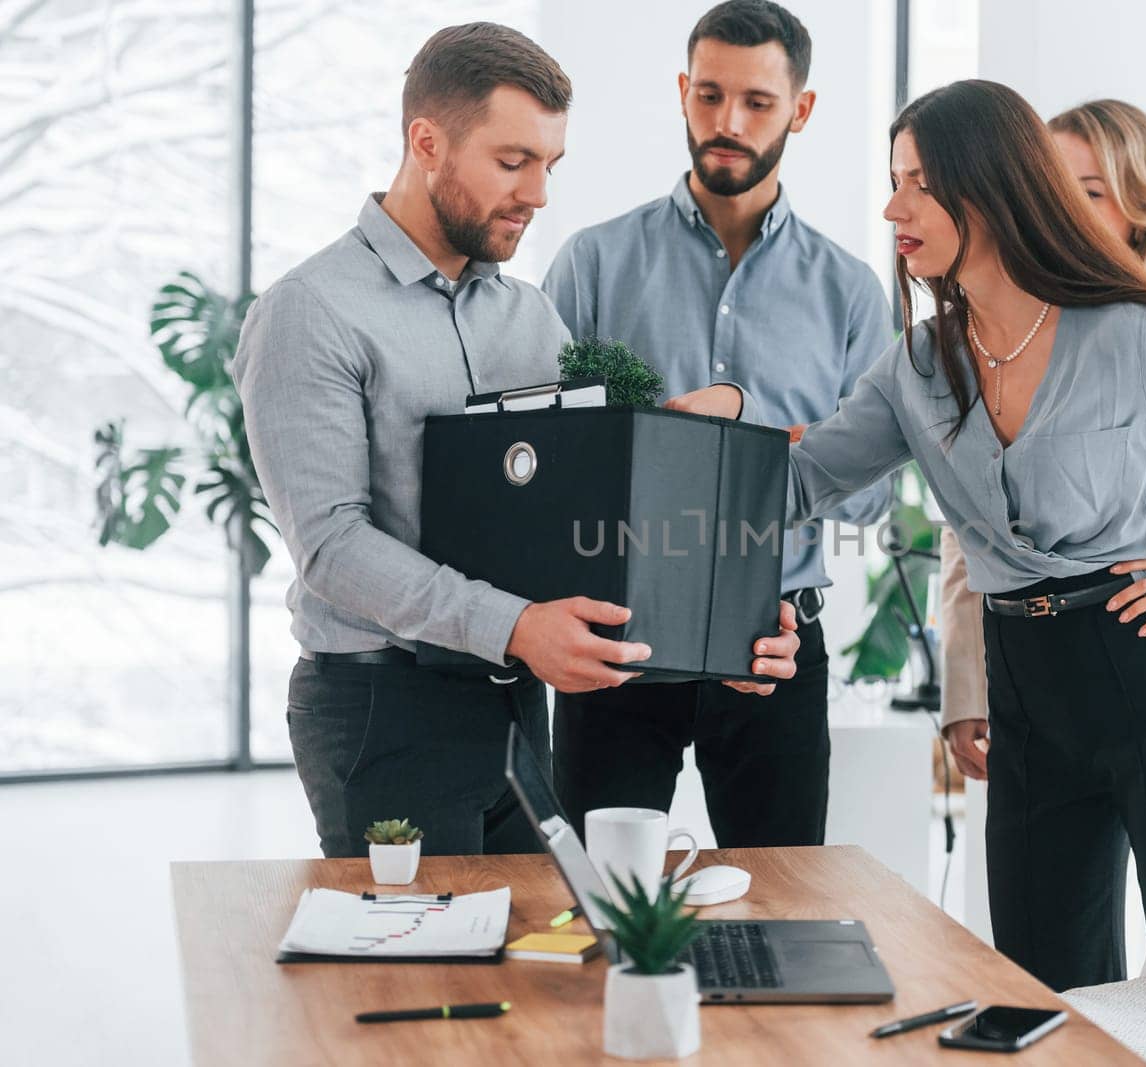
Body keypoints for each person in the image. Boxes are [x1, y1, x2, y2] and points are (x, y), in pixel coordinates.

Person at [685, 79, 1146, 991]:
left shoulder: (1132, 335)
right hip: (1028, 685)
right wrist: (705, 434)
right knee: (1048, 987)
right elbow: (800, 483)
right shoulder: (916, 369)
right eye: (894, 180)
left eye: (918, 181)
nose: (893, 206)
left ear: (990, 188)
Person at [233, 22, 799, 860]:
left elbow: (584, 506)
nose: (537, 194)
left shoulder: (529, 316)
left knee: (531, 973)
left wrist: (721, 629)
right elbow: (331, 546)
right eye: (512, 162)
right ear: (426, 142)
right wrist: (515, 626)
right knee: (427, 981)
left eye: (550, 166)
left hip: (516, 711)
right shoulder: (310, 311)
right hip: (384, 712)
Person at [542, 0, 893, 849]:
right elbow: (547, 461)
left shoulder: (850, 294)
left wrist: (742, 429)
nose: (726, 123)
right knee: (596, 901)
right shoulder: (592, 263)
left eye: (757, 103)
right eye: (708, 96)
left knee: (785, 909)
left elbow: (870, 500)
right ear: (682, 92)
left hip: (775, 649)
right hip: (615, 643)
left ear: (800, 111)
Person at [938, 99, 1146, 833]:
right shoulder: (1007, 337)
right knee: (1043, 946)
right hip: (1039, 675)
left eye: (1091, 193)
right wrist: (966, 689)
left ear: (1140, 209)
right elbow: (972, 527)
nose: (1064, 212)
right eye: (1055, 191)